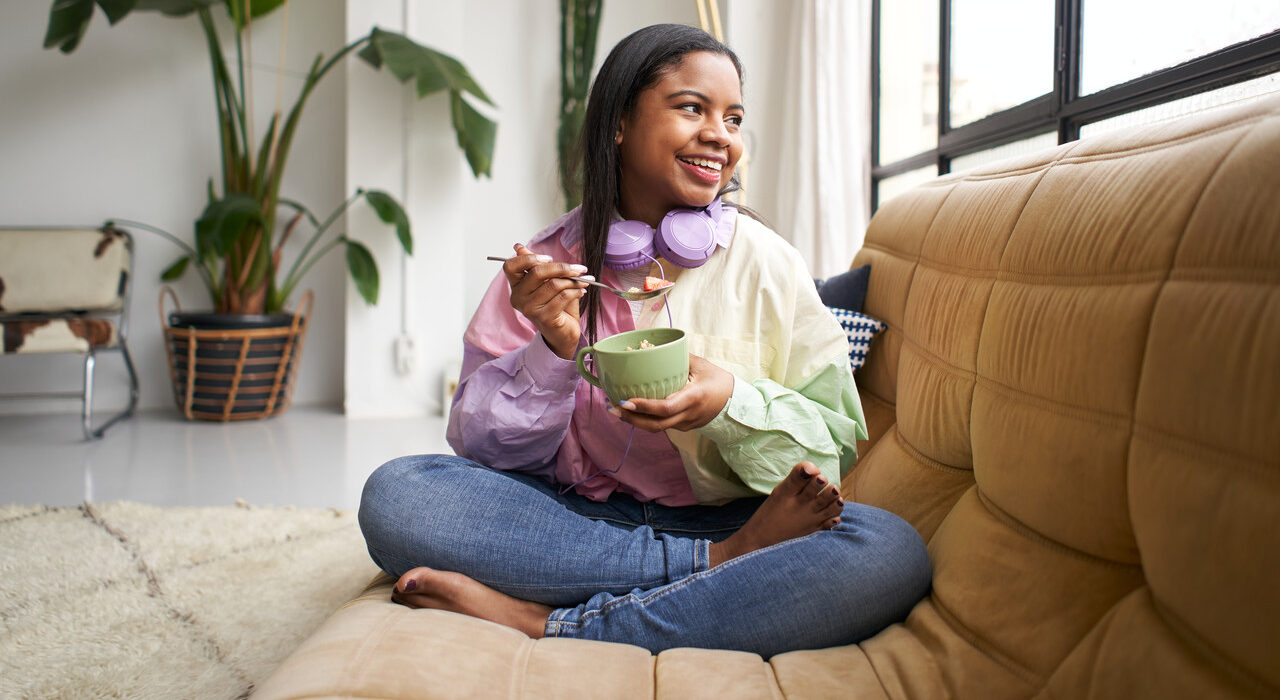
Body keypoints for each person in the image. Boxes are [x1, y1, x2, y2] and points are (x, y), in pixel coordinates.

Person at [358, 23, 930, 658]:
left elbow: (833, 447)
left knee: (890, 550)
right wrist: (554, 351)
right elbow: (475, 443)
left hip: (731, 512)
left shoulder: (768, 264)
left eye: (733, 118)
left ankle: (546, 622)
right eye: (693, 107)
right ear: (619, 123)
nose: (721, 134)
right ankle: (714, 564)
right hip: (570, 518)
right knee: (399, 496)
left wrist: (729, 402)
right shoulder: (547, 267)